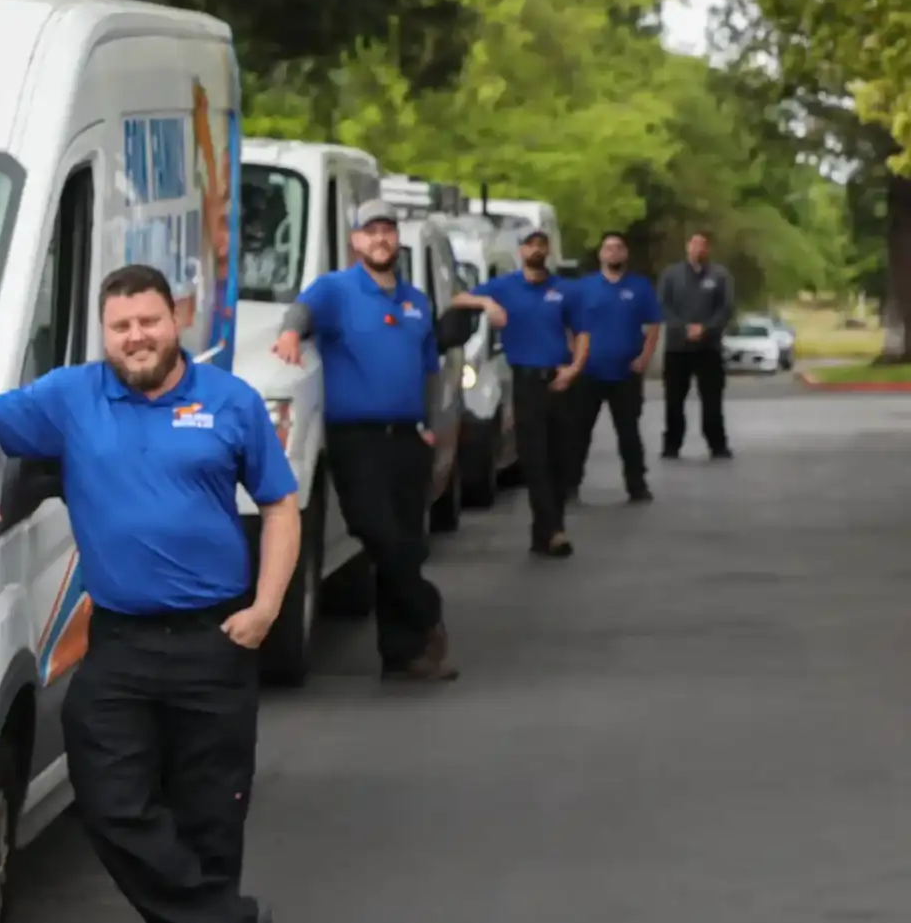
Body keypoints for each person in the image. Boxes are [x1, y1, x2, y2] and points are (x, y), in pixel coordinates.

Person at [0, 263, 300, 923]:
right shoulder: (73, 397)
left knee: (210, 819)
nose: (136, 336)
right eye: (120, 326)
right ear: (104, 333)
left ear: (173, 319)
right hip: (122, 644)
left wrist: (266, 608)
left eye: (148, 320)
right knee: (110, 803)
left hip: (217, 640)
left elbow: (280, 505)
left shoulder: (229, 401)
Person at [270, 201, 505, 681]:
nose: (380, 239)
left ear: (397, 240)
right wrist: (291, 336)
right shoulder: (337, 289)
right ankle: (427, 610)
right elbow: (302, 310)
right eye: (370, 231)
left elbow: (426, 367)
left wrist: (426, 425)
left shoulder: (416, 301)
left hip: (407, 440)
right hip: (357, 439)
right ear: (356, 241)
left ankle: (403, 655)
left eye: (388, 231)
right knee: (378, 534)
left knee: (409, 543)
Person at [470, 226, 588, 556]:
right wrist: (485, 303)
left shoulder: (565, 290)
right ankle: (555, 531)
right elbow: (459, 298)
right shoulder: (505, 286)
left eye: (541, 244)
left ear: (547, 251)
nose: (536, 249)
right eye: (530, 245)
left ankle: (545, 532)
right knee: (535, 459)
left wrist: (575, 369)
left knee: (562, 460)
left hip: (560, 379)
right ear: (521, 251)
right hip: (526, 382)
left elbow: (582, 333)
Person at [564, 230, 663, 504]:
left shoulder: (640, 287)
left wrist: (644, 358)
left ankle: (637, 486)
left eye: (619, 248)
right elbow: (567, 323)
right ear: (600, 254)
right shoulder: (583, 288)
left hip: (626, 373)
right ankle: (570, 486)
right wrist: (574, 357)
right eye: (608, 248)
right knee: (578, 433)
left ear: (625, 253)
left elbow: (653, 325)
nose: (613, 253)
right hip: (589, 372)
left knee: (628, 433)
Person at [656, 228, 735, 459]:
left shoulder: (720, 275)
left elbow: (726, 307)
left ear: (707, 249)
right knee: (673, 401)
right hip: (677, 349)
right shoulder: (671, 275)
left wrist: (706, 328)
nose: (698, 248)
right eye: (694, 244)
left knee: (712, 400)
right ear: (687, 246)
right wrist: (683, 328)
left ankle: (717, 445)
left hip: (708, 349)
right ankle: (671, 445)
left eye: (702, 244)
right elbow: (663, 306)